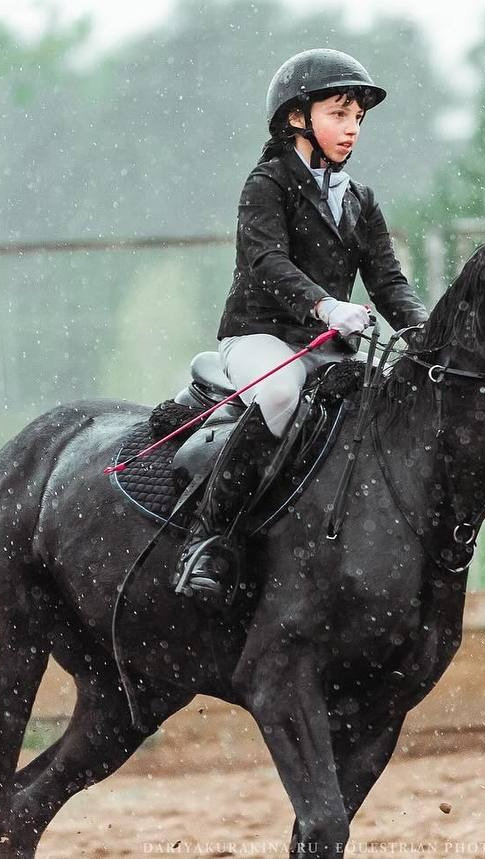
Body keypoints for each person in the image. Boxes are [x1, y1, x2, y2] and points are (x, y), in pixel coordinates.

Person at [174, 48, 431, 607]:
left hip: (327, 346)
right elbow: (267, 262)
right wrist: (326, 306)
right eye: (339, 115)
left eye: (357, 118)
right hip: (259, 338)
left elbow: (387, 281)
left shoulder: (360, 199)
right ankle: (210, 538)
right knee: (280, 393)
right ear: (298, 118)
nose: (352, 129)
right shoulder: (265, 183)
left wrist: (425, 335)